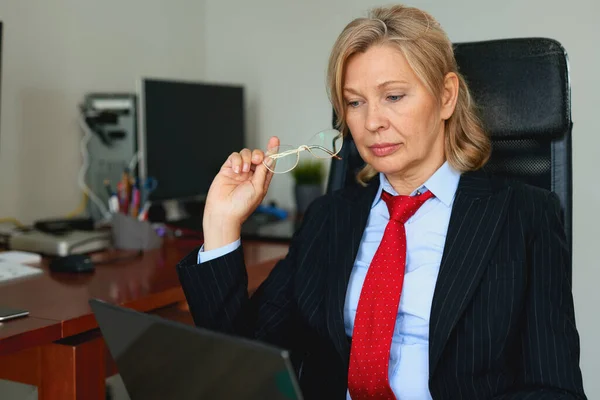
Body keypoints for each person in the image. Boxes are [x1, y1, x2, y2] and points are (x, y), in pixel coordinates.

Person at [176, 4, 586, 399]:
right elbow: (244, 361)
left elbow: (555, 389)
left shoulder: (525, 215)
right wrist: (221, 224)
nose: (372, 122)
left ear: (445, 97)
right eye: (355, 102)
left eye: (393, 96)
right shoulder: (328, 218)